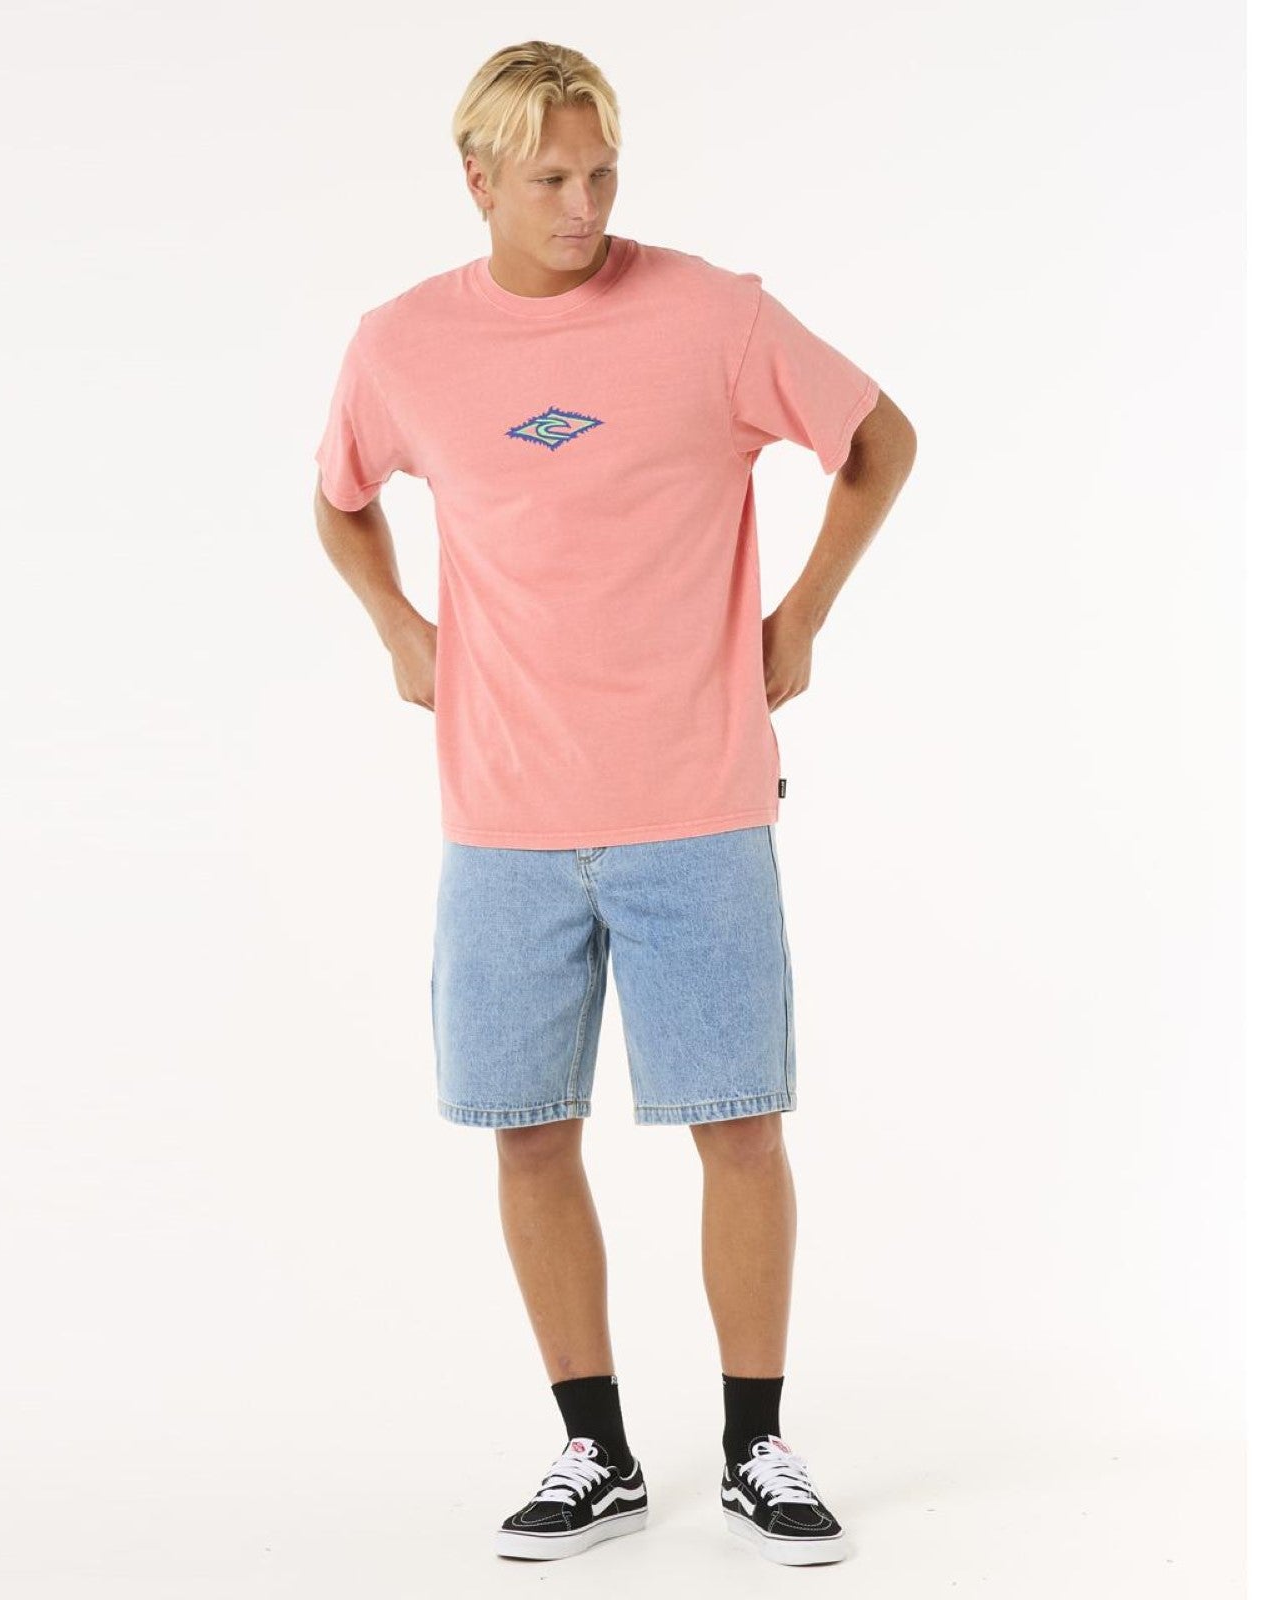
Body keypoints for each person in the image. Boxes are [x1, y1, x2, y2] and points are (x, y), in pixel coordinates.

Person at [311, 39, 917, 1567]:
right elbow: (339, 495)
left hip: (696, 801)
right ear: (478, 182)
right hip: (503, 816)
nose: (586, 206)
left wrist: (801, 618)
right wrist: (399, 628)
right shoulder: (401, 345)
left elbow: (878, 439)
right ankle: (596, 1452)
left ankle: (757, 1447)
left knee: (739, 1128)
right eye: (551, 180)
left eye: (601, 173)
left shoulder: (711, 316)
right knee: (528, 1135)